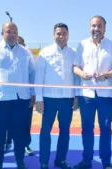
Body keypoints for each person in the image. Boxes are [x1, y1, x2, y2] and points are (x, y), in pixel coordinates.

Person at [0, 22, 36, 169]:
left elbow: (32, 74)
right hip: (1, 99)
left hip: (21, 99)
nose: (12, 35)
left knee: (19, 132)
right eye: (9, 32)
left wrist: (33, 94)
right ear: (2, 33)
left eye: (15, 32)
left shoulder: (26, 52)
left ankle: (20, 160)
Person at [73, 15, 112, 169]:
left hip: (106, 95)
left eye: (99, 26)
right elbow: (75, 67)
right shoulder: (82, 45)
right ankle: (87, 161)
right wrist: (82, 74)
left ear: (104, 28)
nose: (96, 29)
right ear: (90, 27)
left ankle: (106, 162)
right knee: (87, 128)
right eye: (93, 26)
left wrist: (106, 75)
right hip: (86, 94)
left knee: (105, 127)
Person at [35, 23, 76, 169]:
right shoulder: (45, 52)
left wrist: (75, 96)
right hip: (49, 99)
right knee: (45, 130)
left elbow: (76, 77)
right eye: (58, 33)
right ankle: (44, 162)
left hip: (67, 99)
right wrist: (39, 99)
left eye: (64, 33)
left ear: (68, 35)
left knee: (65, 131)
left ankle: (60, 160)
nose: (61, 36)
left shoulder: (73, 52)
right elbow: (38, 76)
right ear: (54, 35)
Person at [4, 35, 35, 156]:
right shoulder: (5, 56)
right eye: (17, 43)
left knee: (25, 122)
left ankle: (26, 144)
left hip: (25, 96)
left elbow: (33, 76)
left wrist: (33, 94)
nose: (18, 45)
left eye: (21, 43)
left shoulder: (28, 56)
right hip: (8, 96)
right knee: (8, 121)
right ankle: (7, 142)